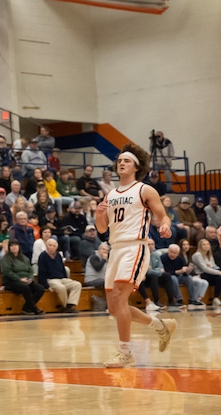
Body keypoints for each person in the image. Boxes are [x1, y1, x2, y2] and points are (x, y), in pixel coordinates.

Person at [95, 144, 177, 368]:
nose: (121, 163)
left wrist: (166, 227)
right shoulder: (110, 194)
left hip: (135, 247)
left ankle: (124, 352)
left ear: (136, 166)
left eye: (126, 160)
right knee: (114, 307)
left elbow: (163, 216)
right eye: (119, 160)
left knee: (121, 298)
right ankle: (160, 326)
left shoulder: (144, 190)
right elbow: (102, 229)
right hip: (115, 249)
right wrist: (98, 214)